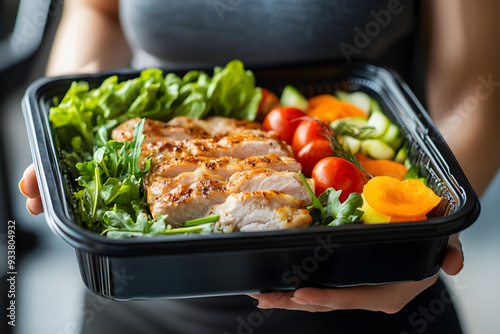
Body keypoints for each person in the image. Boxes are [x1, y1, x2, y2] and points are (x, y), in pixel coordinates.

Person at [18, 0, 500, 333]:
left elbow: (473, 94)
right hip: (138, 298)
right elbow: (97, 10)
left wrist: (424, 235)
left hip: (370, 299)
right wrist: (66, 126)